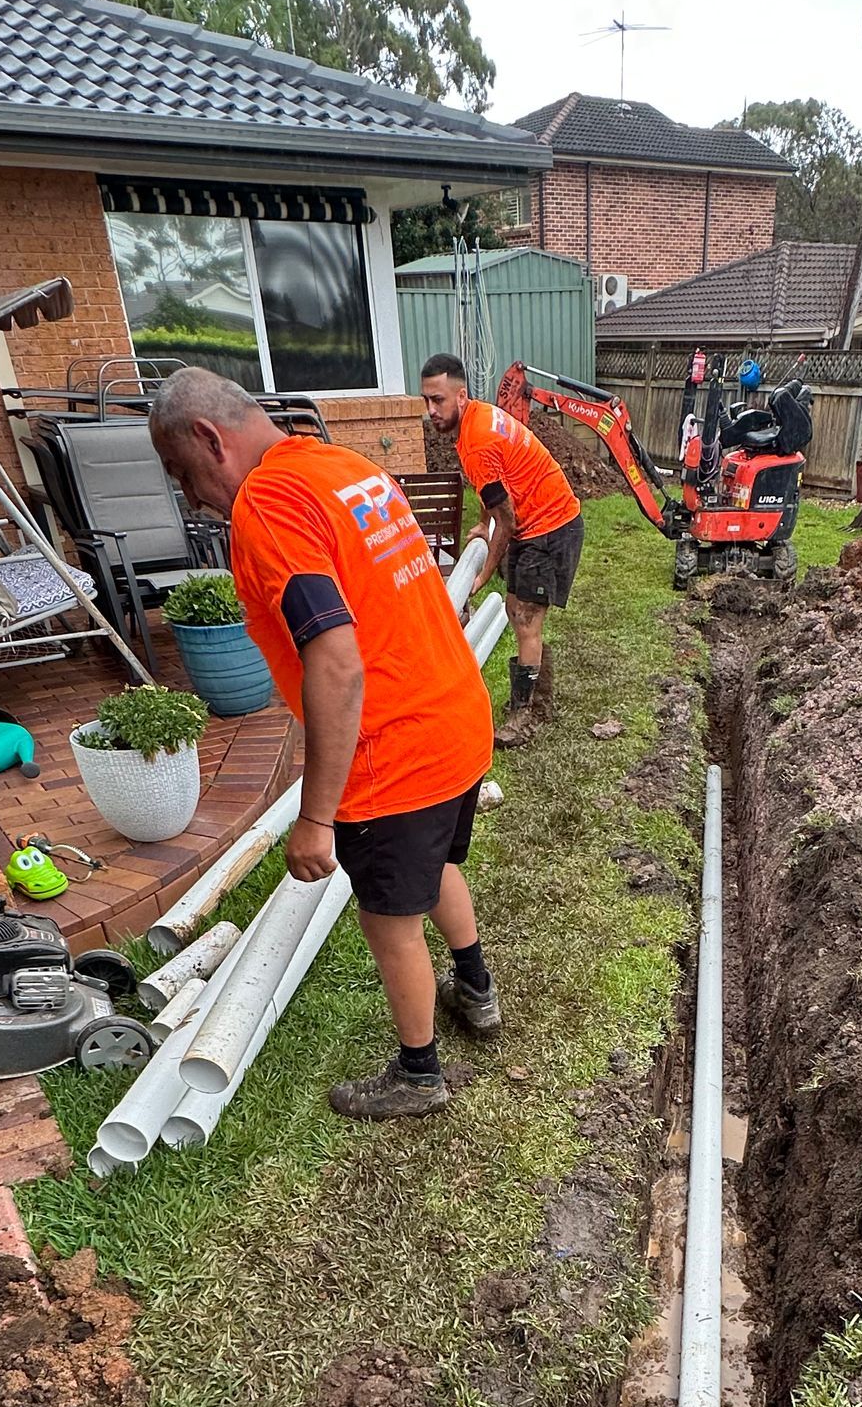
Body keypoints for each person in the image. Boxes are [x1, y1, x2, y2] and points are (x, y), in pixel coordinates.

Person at [149, 368, 499, 1122]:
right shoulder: (344, 467)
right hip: (454, 717)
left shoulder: (267, 506)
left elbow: (335, 660)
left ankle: (419, 1074)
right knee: (434, 864)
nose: (187, 495)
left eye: (181, 472)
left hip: (395, 748)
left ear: (211, 440)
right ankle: (477, 992)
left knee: (387, 916)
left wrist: (315, 817)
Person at [418, 352, 582, 748]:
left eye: (437, 400)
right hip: (532, 521)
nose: (430, 410)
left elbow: (505, 519)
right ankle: (538, 698)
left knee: (525, 617)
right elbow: (492, 486)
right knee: (515, 610)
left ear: (460, 397)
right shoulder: (476, 417)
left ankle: (526, 714)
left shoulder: (477, 440)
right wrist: (480, 522)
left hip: (551, 525)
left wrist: (484, 571)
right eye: (425, 400)